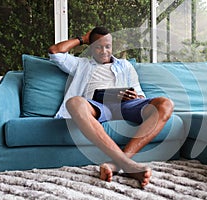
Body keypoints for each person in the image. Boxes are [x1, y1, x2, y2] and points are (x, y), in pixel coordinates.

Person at [48, 26, 174, 187]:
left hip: (126, 105)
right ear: (91, 47)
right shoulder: (81, 64)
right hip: (98, 106)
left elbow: (140, 93)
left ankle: (117, 163)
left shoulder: (125, 66)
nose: (104, 51)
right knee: (74, 102)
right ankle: (127, 165)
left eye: (108, 46)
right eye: (98, 47)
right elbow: (55, 52)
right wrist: (83, 39)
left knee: (165, 104)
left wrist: (133, 96)